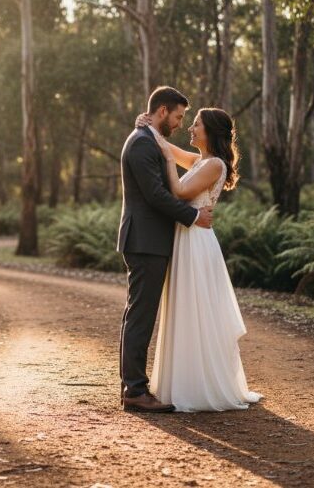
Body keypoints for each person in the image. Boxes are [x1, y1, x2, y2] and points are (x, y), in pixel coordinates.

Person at [141, 106, 263, 412]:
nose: (190, 129)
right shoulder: (201, 161)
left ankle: (199, 386)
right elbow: (169, 147)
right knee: (186, 308)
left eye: (195, 125)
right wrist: (148, 127)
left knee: (197, 309)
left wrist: (168, 161)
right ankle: (184, 380)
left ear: (210, 131)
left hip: (196, 242)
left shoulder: (214, 165)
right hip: (188, 237)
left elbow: (180, 190)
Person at [117, 86, 214, 413]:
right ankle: (134, 390)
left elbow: (174, 162)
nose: (179, 122)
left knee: (140, 313)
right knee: (141, 316)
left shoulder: (147, 139)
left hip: (151, 240)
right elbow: (157, 195)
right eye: (177, 116)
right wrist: (193, 216)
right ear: (162, 112)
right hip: (144, 241)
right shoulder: (141, 144)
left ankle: (135, 387)